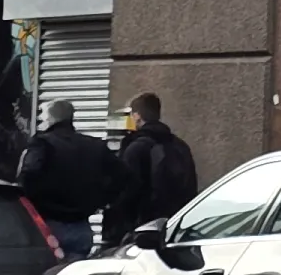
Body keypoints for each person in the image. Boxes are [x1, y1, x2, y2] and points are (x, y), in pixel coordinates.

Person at [15, 100, 120, 260]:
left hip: (48, 224)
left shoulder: (42, 144)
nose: (41, 122)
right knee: (75, 268)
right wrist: (101, 201)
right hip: (81, 226)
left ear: (50, 119)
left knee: (46, 267)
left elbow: (28, 176)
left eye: (42, 118)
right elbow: (122, 177)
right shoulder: (94, 146)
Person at [111, 93, 199, 242]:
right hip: (175, 228)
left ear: (137, 116)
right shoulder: (180, 146)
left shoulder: (135, 148)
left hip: (143, 232)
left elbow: (126, 194)